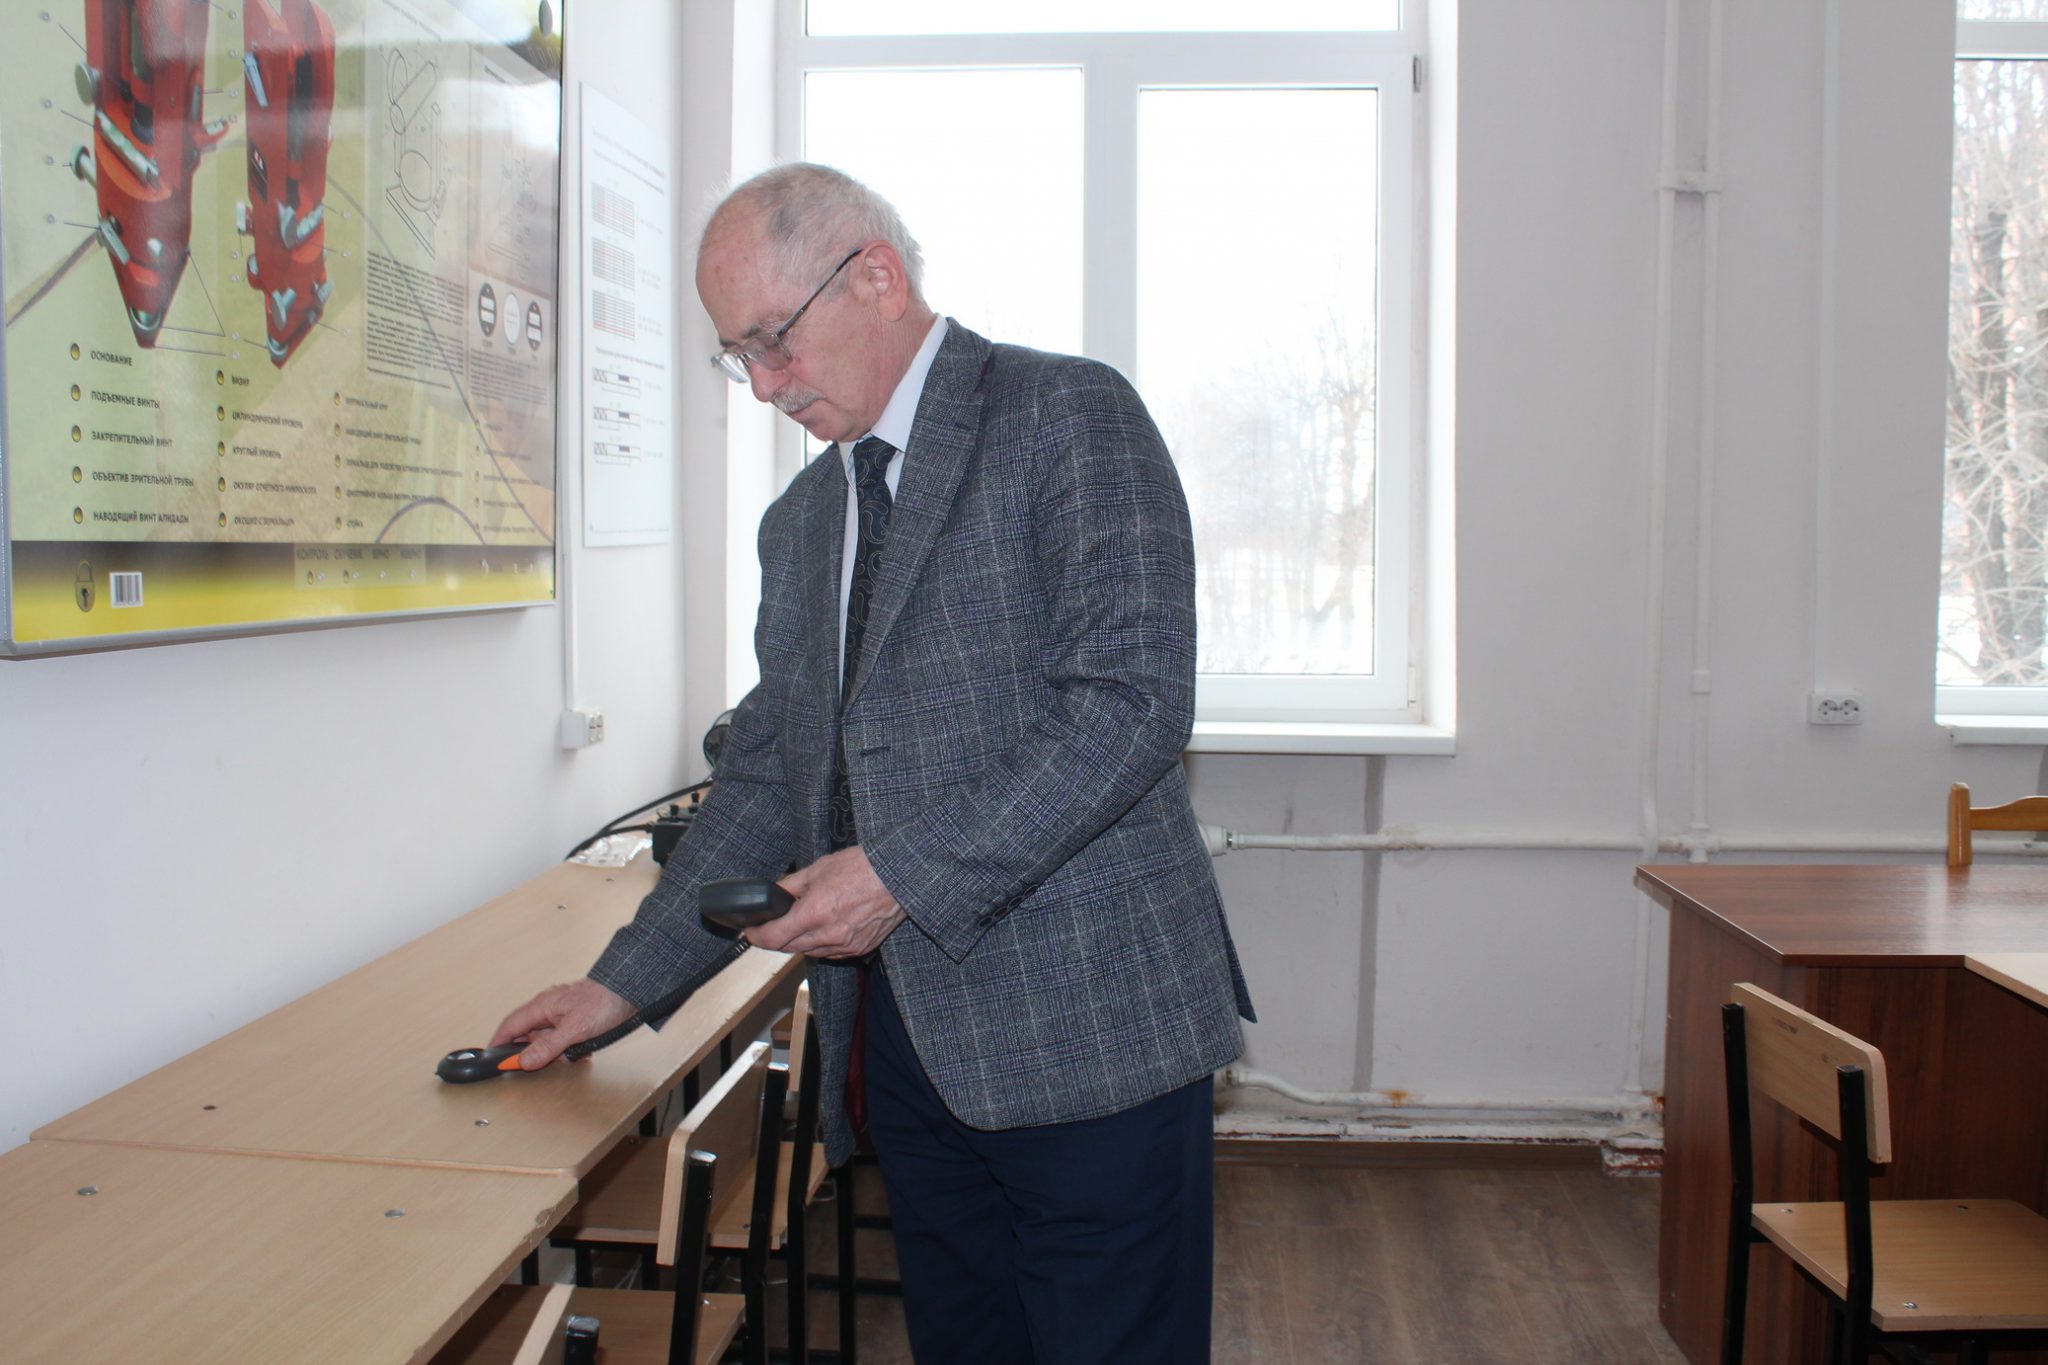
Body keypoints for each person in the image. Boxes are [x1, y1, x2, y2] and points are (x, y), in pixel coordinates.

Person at [492, 162, 1253, 1364]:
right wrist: (619, 988)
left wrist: (896, 873)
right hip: (908, 1055)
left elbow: (1129, 704)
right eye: (736, 357)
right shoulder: (801, 524)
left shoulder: (1064, 414)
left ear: (876, 278)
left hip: (1091, 1033)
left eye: (772, 341)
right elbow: (764, 778)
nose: (762, 385)